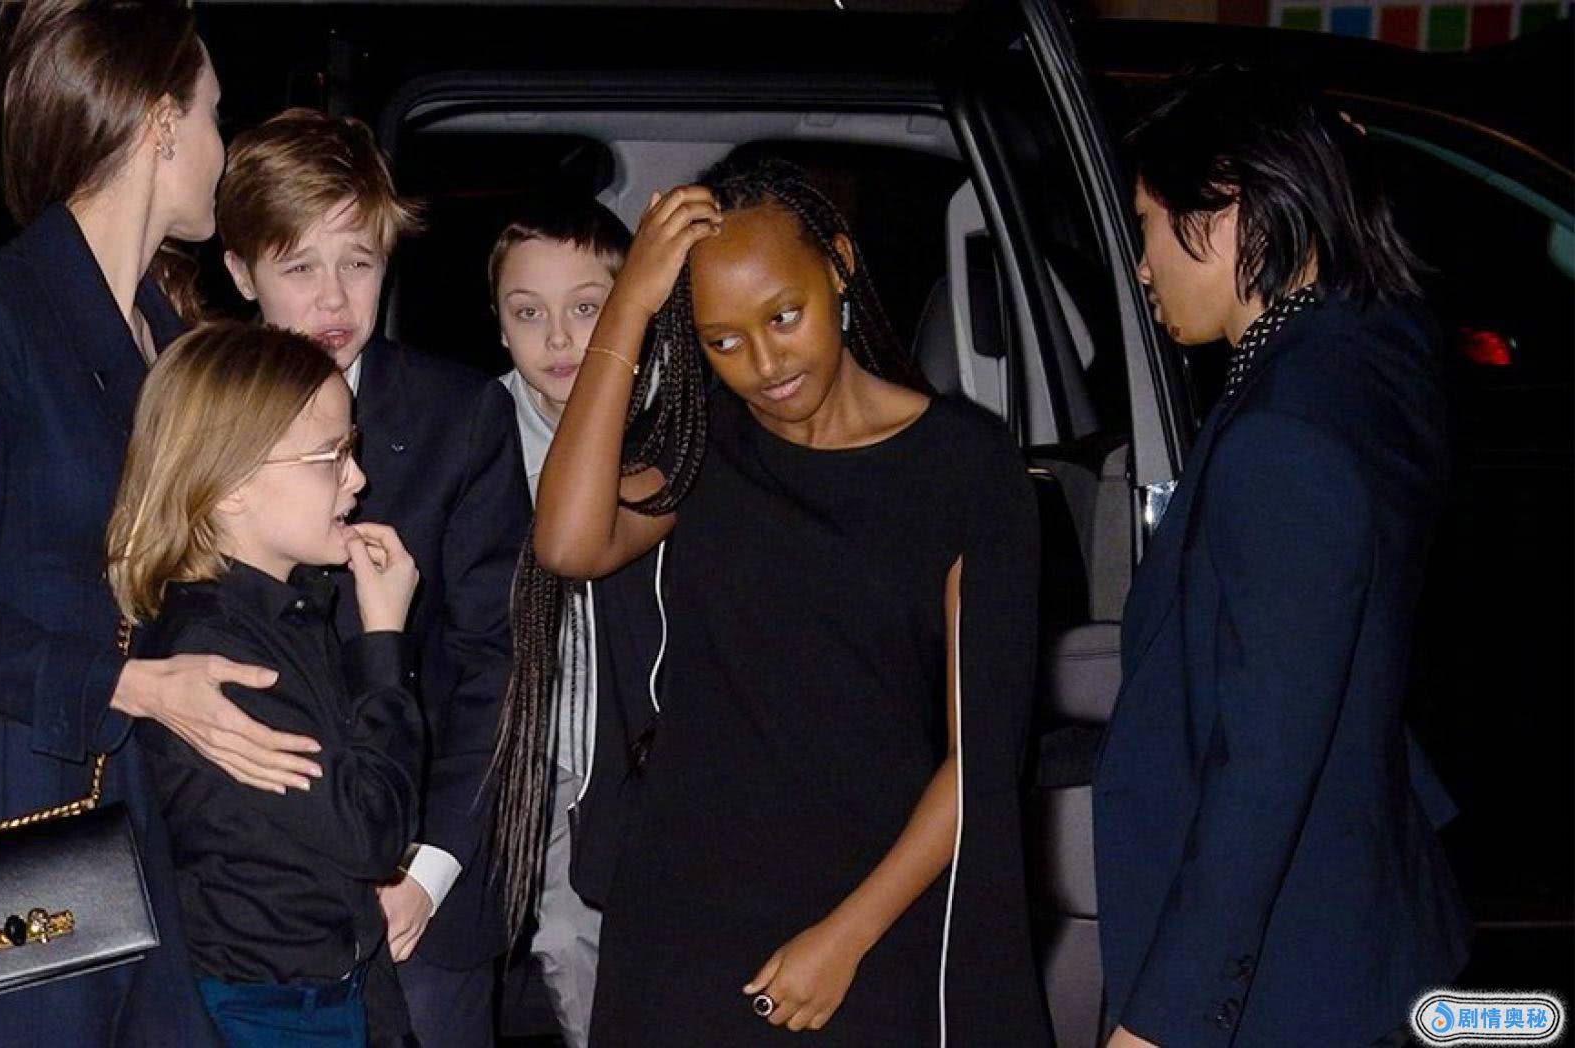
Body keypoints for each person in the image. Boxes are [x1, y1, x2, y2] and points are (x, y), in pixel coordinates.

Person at [0, 1, 329, 1044]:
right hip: (15, 814)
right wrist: (130, 686)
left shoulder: (169, 335)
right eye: (214, 113)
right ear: (161, 122)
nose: (222, 146)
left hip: (143, 808)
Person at [522, 155, 1051, 1045]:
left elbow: (982, 757)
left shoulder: (965, 467)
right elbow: (568, 542)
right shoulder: (706, 445)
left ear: (838, 264)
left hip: (875, 905)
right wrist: (628, 308)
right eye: (722, 342)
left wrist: (846, 938)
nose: (765, 365)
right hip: (687, 916)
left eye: (783, 316)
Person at [1096, 66, 1471, 1048]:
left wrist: (1160, 1023)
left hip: (1293, 973)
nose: (1142, 268)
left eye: (1146, 225)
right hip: (1364, 911)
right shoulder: (1371, 351)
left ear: (1225, 210)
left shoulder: (1285, 432)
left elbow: (1262, 764)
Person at [216, 108, 530, 1048]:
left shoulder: (458, 416)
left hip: (422, 877)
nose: (334, 299)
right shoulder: (196, 409)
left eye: (358, 262)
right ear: (241, 272)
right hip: (241, 896)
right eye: (298, 267)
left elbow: (501, 660)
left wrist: (427, 871)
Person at [106, 321, 423, 1046]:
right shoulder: (219, 654)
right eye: (330, 456)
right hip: (267, 1012)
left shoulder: (286, 608)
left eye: (351, 448)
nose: (357, 478)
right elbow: (369, 832)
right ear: (230, 486)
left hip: (321, 992)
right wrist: (384, 642)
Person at [480, 197, 633, 1048]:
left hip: (656, 737)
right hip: (549, 749)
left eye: (586, 308)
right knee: (568, 940)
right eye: (528, 313)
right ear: (499, 325)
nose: (560, 338)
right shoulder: (482, 429)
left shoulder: (672, 417)